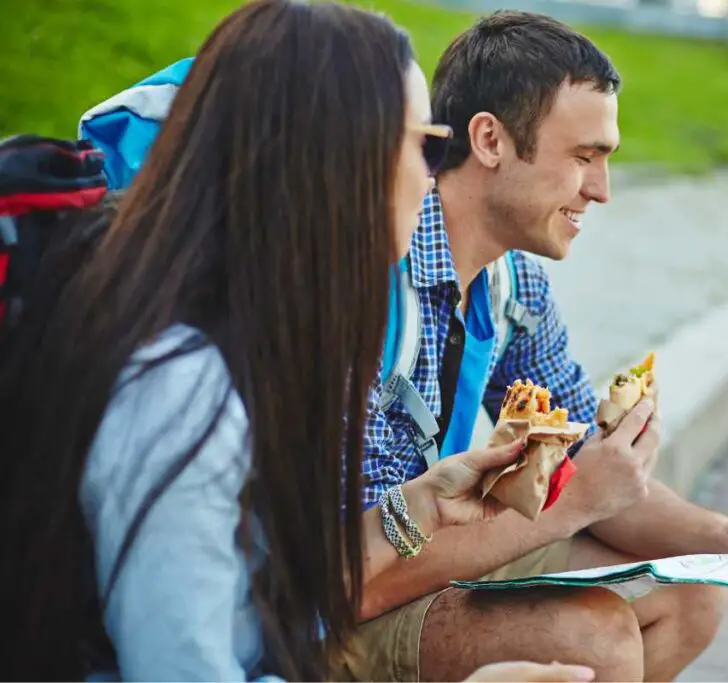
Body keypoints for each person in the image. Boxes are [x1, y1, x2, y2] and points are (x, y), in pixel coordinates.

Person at [76, 8, 728, 682]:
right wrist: (565, 509)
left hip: (394, 552)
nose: (602, 189)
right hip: (336, 602)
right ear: (490, 139)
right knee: (591, 637)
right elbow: (343, 582)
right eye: (584, 156)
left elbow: (578, 471)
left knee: (692, 596)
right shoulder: (352, 282)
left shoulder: (513, 287)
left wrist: (725, 535)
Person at [0, 2, 596, 682]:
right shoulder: (183, 390)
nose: (435, 176)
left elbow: (271, 605)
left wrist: (420, 504)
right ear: (334, 160)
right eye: (424, 145)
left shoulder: (258, 336)